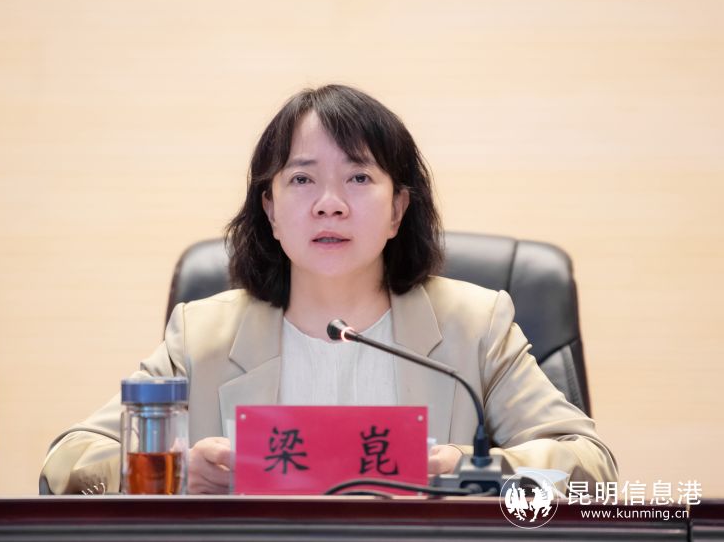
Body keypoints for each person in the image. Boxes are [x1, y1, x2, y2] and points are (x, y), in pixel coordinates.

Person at [40, 84, 618, 495]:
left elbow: (592, 469)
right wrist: (173, 471)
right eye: (302, 178)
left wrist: (465, 472)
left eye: (359, 177)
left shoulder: (475, 325)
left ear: (398, 209)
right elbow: (67, 465)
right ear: (270, 209)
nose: (329, 203)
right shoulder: (203, 336)